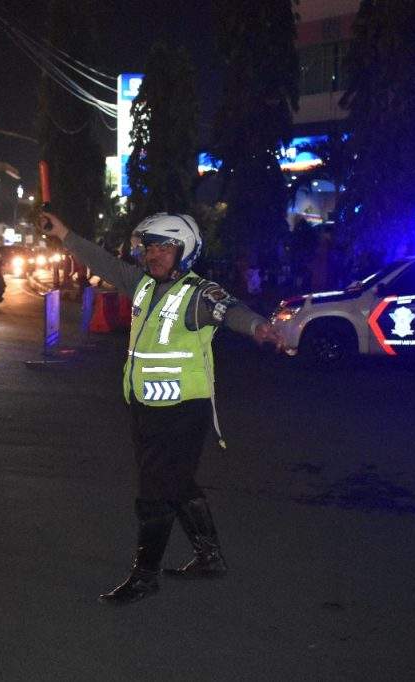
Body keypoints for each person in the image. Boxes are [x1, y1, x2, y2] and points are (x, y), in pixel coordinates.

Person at [39, 210, 287, 605]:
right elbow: (104, 262)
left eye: (163, 248)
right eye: (148, 247)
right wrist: (65, 233)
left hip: (183, 410)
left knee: (155, 491)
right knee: (178, 482)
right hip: (146, 406)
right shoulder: (140, 285)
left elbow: (232, 310)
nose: (152, 255)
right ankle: (209, 556)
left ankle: (145, 576)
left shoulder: (199, 294)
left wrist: (259, 327)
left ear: (184, 251)